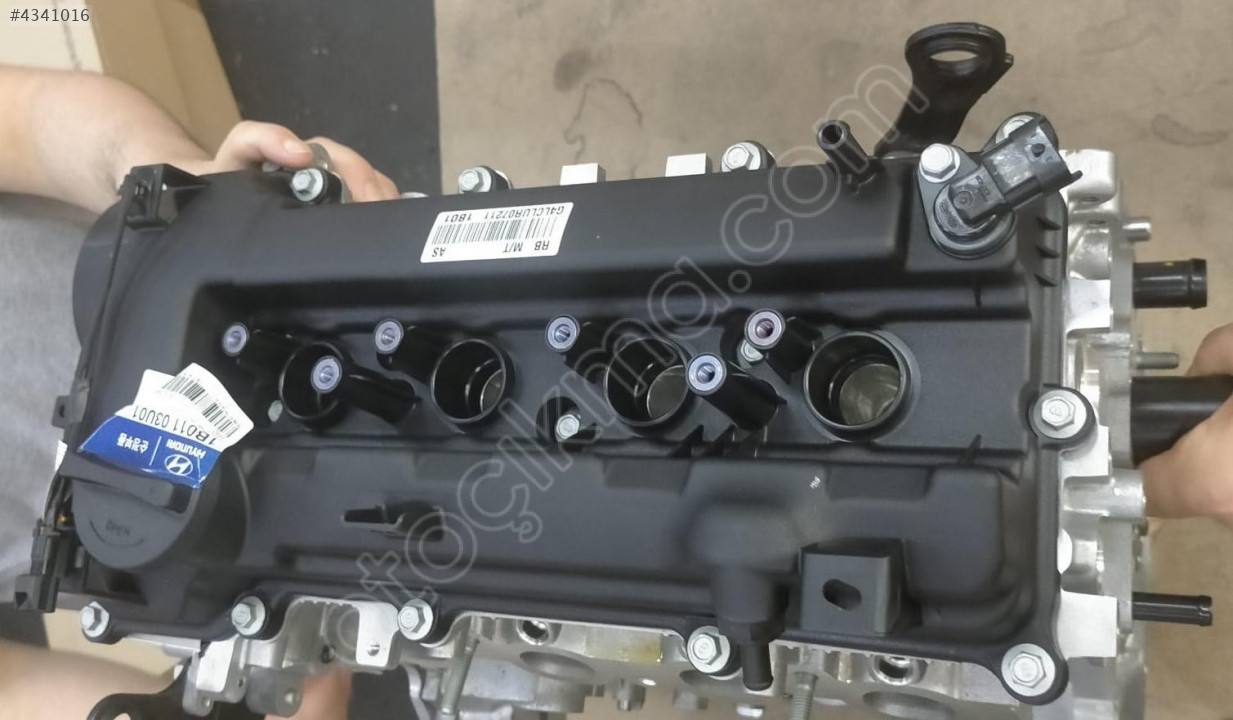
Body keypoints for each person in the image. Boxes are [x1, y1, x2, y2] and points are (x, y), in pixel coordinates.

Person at [0, 65, 393, 720]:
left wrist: (184, 185)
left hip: (245, 292)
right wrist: (262, 687)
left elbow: (26, 115)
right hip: (210, 538)